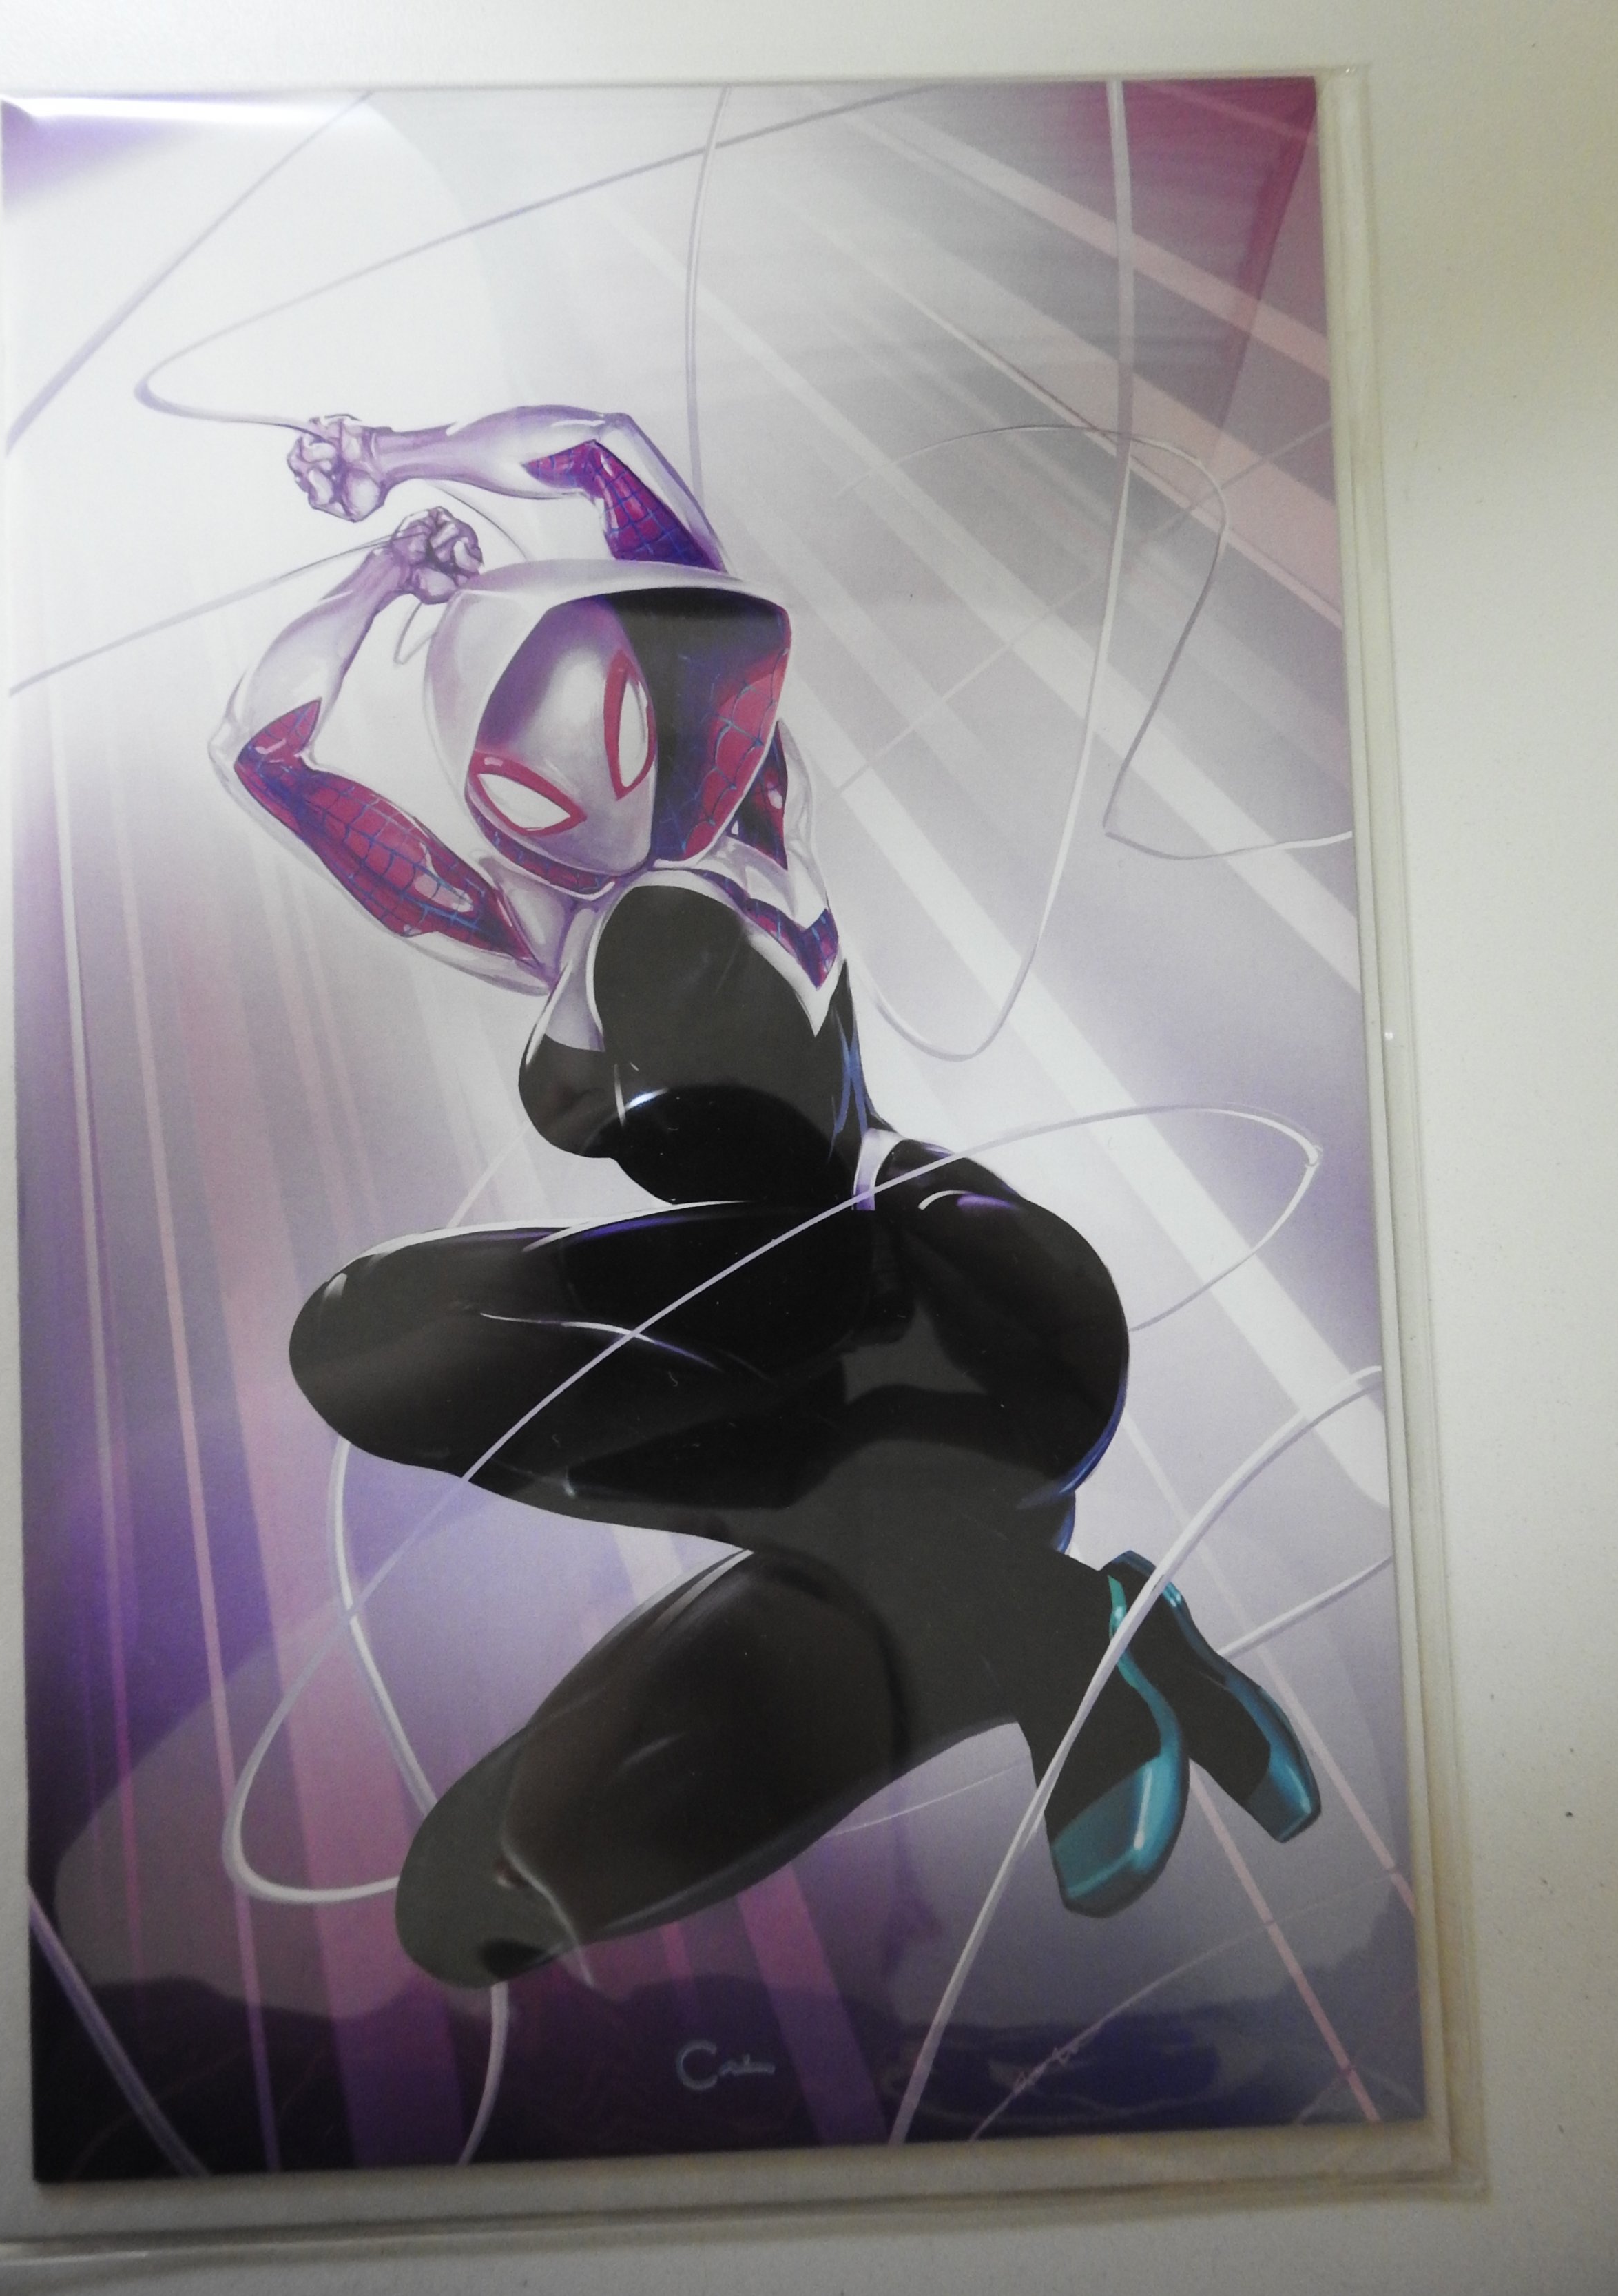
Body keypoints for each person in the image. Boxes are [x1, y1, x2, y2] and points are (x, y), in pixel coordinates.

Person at [214, 406, 1319, 1987]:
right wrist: (375, 574)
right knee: (373, 1354)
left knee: (409, 1344)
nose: (580, 768)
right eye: (522, 766)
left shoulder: (744, 814)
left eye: (610, 708)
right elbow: (264, 757)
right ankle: (1080, 1632)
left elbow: (605, 453)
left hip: (961, 1300)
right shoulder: (522, 932)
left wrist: (404, 459)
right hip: (845, 1418)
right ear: (487, 791)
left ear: (661, 700)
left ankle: (1058, 1648)